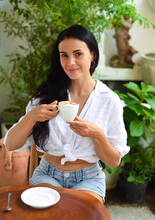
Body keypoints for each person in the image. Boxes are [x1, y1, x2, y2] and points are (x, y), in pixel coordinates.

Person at [4, 24, 130, 203]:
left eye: (78, 54)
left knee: (83, 214)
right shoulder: (47, 95)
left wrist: (96, 134)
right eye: (64, 55)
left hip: (88, 178)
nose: (70, 62)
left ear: (92, 55)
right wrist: (31, 116)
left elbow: (113, 162)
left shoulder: (109, 100)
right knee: (48, 214)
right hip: (48, 174)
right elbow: (11, 144)